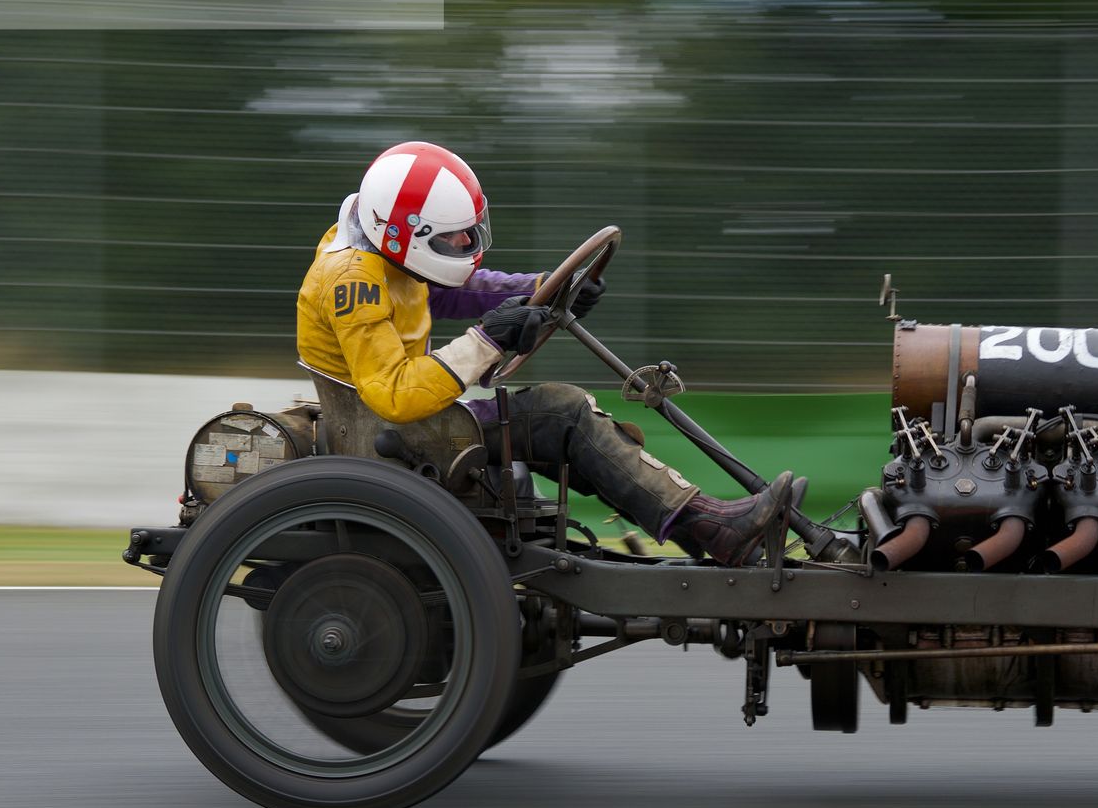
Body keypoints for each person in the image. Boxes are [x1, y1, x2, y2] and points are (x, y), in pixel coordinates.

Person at [295, 140, 792, 565]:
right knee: (563, 412)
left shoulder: (386, 251)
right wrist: (489, 339)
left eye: (469, 229)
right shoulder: (351, 281)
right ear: (407, 233)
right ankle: (712, 530)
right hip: (387, 437)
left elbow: (447, 290)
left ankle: (706, 531)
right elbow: (394, 395)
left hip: (410, 427)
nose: (467, 241)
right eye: (453, 235)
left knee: (553, 426)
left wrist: (545, 288)